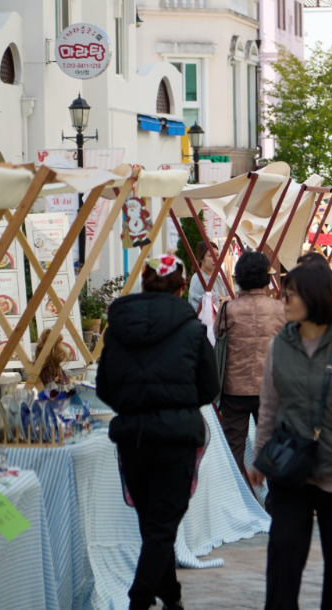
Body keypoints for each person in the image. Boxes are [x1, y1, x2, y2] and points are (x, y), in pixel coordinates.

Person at [97, 255, 219, 610]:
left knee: (153, 524)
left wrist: (134, 404)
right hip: (175, 439)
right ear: (181, 289)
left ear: (145, 284)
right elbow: (210, 387)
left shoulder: (117, 329)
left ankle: (171, 597)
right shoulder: (193, 330)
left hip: (132, 437)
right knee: (162, 526)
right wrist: (179, 403)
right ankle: (139, 600)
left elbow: (104, 386)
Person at [252, 263, 332, 609]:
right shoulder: (279, 346)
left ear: (315, 297)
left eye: (292, 294)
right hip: (290, 468)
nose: (285, 300)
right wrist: (260, 456)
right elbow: (268, 408)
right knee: (283, 557)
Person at [215, 250, 285, 476]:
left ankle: (238, 493)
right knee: (272, 446)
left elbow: (218, 336)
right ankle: (274, 493)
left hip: (234, 389)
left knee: (233, 446)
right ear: (266, 278)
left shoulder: (228, 309)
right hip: (270, 389)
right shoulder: (279, 309)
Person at [188, 241, 231, 311]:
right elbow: (216, 304)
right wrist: (226, 298)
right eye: (211, 256)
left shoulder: (217, 276)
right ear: (201, 259)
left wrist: (225, 298)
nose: (215, 258)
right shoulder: (199, 279)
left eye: (217, 255)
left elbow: (231, 296)